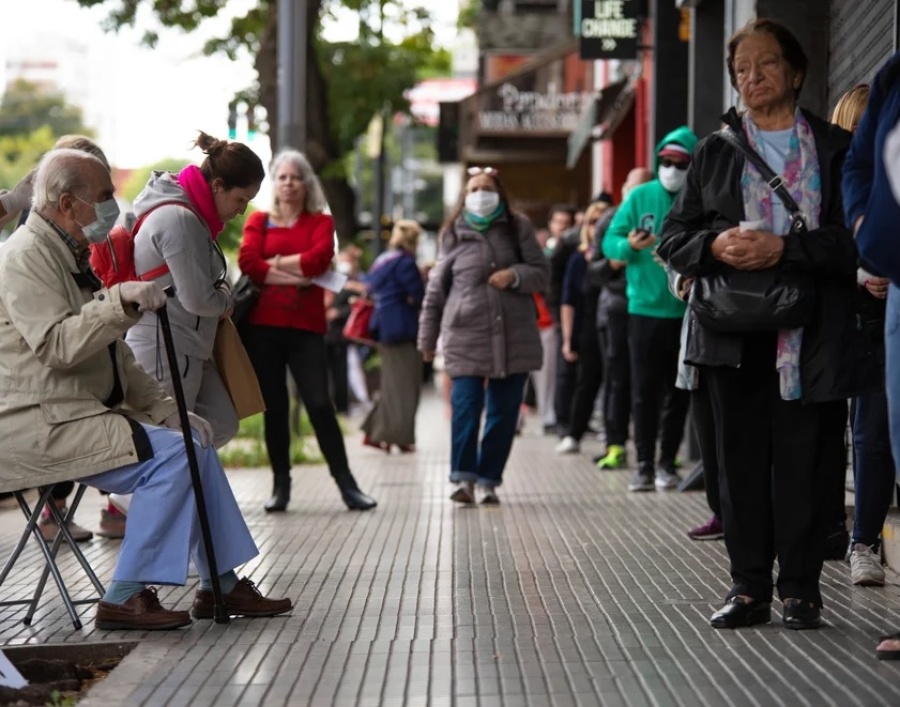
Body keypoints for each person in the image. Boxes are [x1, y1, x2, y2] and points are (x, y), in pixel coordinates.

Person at [0, 148, 291, 629]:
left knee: (192, 441)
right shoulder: (27, 257)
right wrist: (118, 300)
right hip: (38, 424)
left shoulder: (63, 252)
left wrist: (167, 410)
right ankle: (126, 594)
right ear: (68, 204)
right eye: (104, 195)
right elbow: (57, 347)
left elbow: (113, 355)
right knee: (177, 458)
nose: (114, 206)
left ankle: (219, 580)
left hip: (72, 414)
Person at [659, 19, 857, 631]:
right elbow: (672, 238)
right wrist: (716, 246)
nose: (752, 77)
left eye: (766, 64)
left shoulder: (833, 147)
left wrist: (784, 251)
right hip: (730, 336)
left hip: (811, 335)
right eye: (741, 68)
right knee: (738, 468)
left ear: (797, 72)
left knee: (809, 468)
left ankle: (801, 589)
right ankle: (748, 589)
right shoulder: (716, 151)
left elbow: (852, 242)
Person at [238, 149, 376, 513]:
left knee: (319, 404)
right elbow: (248, 263)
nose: (288, 184)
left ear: (306, 183)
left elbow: (318, 262)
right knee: (276, 409)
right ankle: (280, 486)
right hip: (263, 328)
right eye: (282, 177)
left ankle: (347, 485)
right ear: (275, 183)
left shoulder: (320, 222)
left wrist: (275, 265)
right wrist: (296, 274)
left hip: (306, 328)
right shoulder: (259, 220)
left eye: (295, 177)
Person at [121, 132, 259, 452]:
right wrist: (226, 299)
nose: (241, 210)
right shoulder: (181, 219)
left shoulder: (190, 215)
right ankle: (132, 501)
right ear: (218, 185)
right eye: (241, 199)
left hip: (183, 343)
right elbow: (198, 299)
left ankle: (147, 499)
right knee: (170, 441)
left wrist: (219, 292)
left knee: (218, 424)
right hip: (167, 344)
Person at [418, 166, 549, 505]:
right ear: (465, 197)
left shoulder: (517, 227)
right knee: (464, 407)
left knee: (504, 413)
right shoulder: (452, 233)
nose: (479, 194)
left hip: (513, 335)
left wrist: (515, 276)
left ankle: (489, 479)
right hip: (465, 336)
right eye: (473, 188)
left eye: (486, 188)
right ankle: (463, 479)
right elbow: (435, 292)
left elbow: (542, 274)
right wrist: (427, 341)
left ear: (499, 193)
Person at [842, 50, 900, 659]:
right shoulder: (893, 76)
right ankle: (863, 539)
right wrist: (867, 256)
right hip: (872, 313)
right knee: (877, 429)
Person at [602, 125, 698, 492]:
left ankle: (666, 463)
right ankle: (643, 463)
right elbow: (610, 241)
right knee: (643, 390)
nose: (671, 168)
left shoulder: (697, 198)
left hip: (686, 312)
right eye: (665, 161)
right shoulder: (641, 196)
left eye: (680, 162)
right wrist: (628, 245)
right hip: (643, 311)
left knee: (678, 392)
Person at [832, 84, 895, 578]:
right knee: (870, 431)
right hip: (860, 321)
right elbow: (822, 243)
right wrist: (860, 273)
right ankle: (863, 541)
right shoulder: (841, 176)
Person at [589, 168, 654, 470]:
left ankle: (655, 446)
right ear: (624, 188)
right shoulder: (610, 221)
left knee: (654, 381)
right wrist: (619, 257)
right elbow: (594, 271)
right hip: (617, 308)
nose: (637, 195)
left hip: (654, 309)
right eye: (633, 188)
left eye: (644, 188)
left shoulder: (664, 213)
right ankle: (615, 444)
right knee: (618, 379)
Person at [360, 219, 425, 452]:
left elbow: (369, 286)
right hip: (403, 328)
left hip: (384, 327)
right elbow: (418, 294)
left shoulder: (382, 261)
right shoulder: (406, 263)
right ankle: (399, 437)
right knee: (405, 385)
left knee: (391, 384)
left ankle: (375, 432)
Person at [555, 201, 610, 454]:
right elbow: (568, 301)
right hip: (587, 328)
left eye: (602, 220)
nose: (596, 226)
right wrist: (568, 340)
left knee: (615, 382)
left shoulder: (615, 258)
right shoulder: (578, 259)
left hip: (615, 325)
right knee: (586, 381)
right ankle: (573, 432)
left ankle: (612, 435)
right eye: (592, 221)